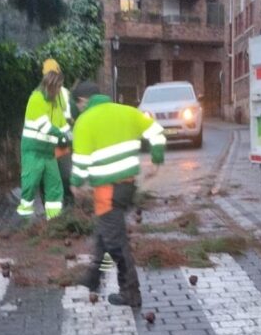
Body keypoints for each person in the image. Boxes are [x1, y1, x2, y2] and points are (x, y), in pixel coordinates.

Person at [70, 81, 166, 307]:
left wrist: (76, 184)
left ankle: (131, 292)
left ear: (83, 101)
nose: (79, 109)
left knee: (115, 243)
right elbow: (158, 133)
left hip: (107, 190)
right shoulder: (127, 112)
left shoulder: (85, 121)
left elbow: (81, 160)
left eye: (79, 105)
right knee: (105, 233)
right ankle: (94, 276)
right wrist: (156, 160)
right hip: (127, 187)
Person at [17, 70, 69, 220]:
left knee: (54, 186)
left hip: (48, 152)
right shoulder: (36, 99)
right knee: (30, 184)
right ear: (50, 85)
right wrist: (62, 136)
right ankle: (24, 219)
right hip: (33, 150)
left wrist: (70, 135)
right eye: (58, 86)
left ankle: (54, 220)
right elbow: (44, 126)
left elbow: (62, 125)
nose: (59, 90)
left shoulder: (56, 102)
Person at [42, 58, 75, 207]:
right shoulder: (39, 96)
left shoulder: (65, 94)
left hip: (62, 145)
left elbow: (71, 118)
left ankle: (68, 205)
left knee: (65, 177)